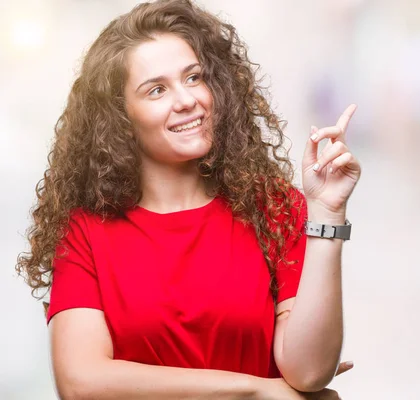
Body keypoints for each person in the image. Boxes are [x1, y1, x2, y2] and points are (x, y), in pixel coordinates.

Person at [16, 0, 361, 399]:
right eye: (157, 89)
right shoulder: (85, 230)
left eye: (194, 78)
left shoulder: (273, 208)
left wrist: (328, 213)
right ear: (120, 117)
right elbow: (81, 383)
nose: (186, 100)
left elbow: (309, 371)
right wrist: (256, 391)